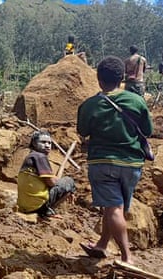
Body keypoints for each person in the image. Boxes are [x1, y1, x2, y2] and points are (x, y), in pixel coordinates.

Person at [77, 55, 153, 264]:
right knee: (113, 207)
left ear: (99, 79)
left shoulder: (90, 105)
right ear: (121, 79)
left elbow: (82, 130)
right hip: (131, 165)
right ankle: (102, 244)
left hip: (102, 163)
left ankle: (127, 257)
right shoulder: (137, 100)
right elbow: (147, 130)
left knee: (113, 208)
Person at [17, 130, 76, 218]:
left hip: (24, 207)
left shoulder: (31, 156)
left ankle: (47, 210)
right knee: (69, 181)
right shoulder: (40, 157)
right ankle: (47, 210)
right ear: (34, 143)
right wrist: (70, 189)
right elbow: (51, 183)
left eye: (49, 143)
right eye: (43, 142)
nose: (47, 145)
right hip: (38, 207)